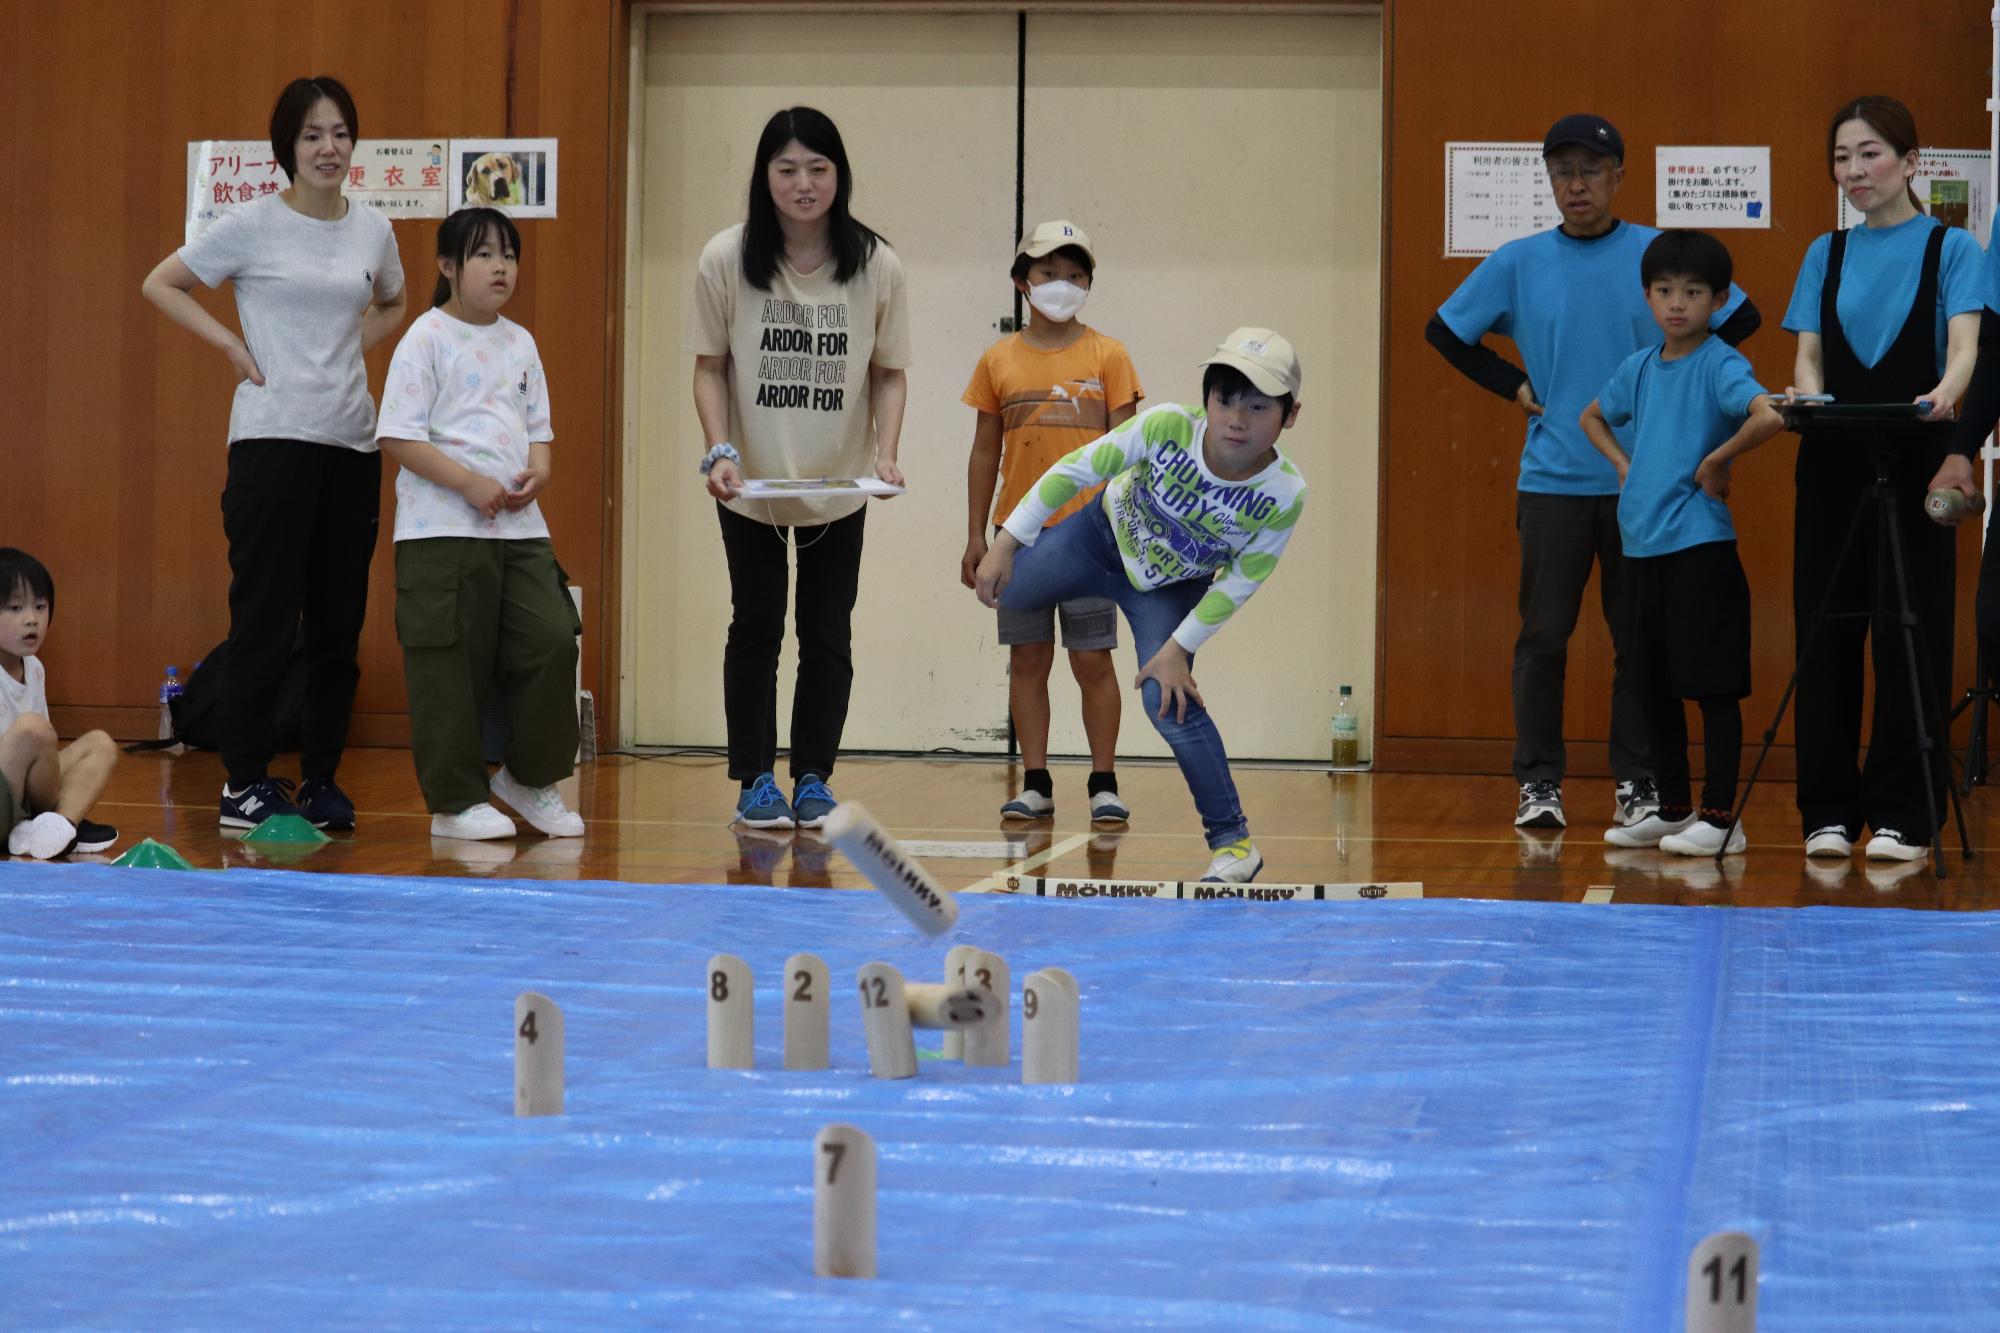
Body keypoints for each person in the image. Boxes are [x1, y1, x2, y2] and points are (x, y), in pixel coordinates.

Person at [1427, 113, 1761, 833]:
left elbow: (1744, 315)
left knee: (1637, 646)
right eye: (1562, 172)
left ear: (1617, 176)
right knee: (1542, 637)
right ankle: (1539, 782)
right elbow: (1444, 330)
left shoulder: (1655, 256)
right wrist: (1511, 384)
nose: (1575, 185)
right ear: (1549, 180)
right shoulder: (1518, 260)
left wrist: (1688, 410)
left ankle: (1639, 783)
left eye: (1589, 171)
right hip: (1551, 480)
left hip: (1654, 491)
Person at [142, 76, 406, 832]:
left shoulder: (373, 230)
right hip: (269, 445)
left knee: (336, 626)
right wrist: (230, 343)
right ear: (287, 147)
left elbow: (394, 297)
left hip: (351, 446)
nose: (329, 148)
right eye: (312, 135)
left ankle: (320, 778)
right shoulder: (251, 224)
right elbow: (161, 283)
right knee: (262, 619)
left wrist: (350, 345)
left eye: (340, 133)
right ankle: (243, 781)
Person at [974, 328, 1308, 884]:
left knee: (1166, 698)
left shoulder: (1285, 493)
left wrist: (1179, 649)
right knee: (1002, 588)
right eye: (1225, 400)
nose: (1236, 420)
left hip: (1172, 589)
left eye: (1257, 407)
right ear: (1207, 399)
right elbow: (1075, 471)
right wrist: (1006, 541)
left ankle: (1234, 843)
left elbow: (1240, 582)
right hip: (1096, 538)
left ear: (1290, 415)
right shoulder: (1167, 426)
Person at [687, 106, 911, 832]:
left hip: (839, 486)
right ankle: (755, 779)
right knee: (754, 625)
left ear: (839, 175)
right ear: (764, 177)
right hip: (747, 484)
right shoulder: (726, 257)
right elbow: (709, 368)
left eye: (818, 168)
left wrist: (886, 455)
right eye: (786, 169)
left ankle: (813, 773)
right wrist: (720, 449)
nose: (803, 183)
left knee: (826, 632)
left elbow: (889, 373)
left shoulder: (878, 262)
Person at [1782, 95, 1982, 863]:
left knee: (1912, 632)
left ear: (1910, 161)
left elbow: (1965, 347)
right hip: (1831, 458)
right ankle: (1826, 810)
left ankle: (1907, 814)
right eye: (1842, 157)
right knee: (1825, 633)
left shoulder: (1950, 248)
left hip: (1914, 455)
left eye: (1869, 154)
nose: (1854, 171)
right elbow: (1808, 355)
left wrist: (1946, 392)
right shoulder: (1823, 253)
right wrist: (1807, 393)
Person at [375, 207, 583, 842]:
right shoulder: (425, 337)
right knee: (449, 665)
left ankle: (528, 777)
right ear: (447, 266)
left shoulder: (521, 342)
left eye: (509, 255)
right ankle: (455, 801)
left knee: (551, 640)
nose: (501, 267)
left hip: (520, 531)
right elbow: (396, 435)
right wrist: (467, 483)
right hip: (440, 529)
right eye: (485, 254)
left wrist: (538, 475)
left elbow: (539, 435)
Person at [1579, 231, 1786, 856]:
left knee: (1713, 686)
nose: (1677, 304)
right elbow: (1591, 416)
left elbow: (1769, 413)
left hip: (1699, 548)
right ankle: (1672, 809)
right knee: (1652, 683)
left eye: (1693, 293)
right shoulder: (1639, 366)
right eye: (1665, 291)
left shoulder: (1720, 360)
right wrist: (1623, 464)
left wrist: (1716, 460)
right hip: (1640, 547)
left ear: (1718, 300)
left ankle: (1723, 818)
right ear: (1647, 295)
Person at [961, 220, 1142, 824]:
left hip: (1091, 540)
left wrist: (1125, 533)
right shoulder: (997, 360)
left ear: (1089, 283)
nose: (1062, 284)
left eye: (1075, 274)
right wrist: (976, 536)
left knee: (1093, 660)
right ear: (1022, 282)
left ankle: (1104, 783)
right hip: (1020, 542)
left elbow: (1128, 451)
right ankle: (1034, 781)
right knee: (1028, 659)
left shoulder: (1109, 356)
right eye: (1048, 273)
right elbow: (985, 450)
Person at [0, 550, 120, 860]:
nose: (32, 618)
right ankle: (45, 822)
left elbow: (46, 759)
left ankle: (59, 826)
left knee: (100, 743)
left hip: (25, 798)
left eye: (40, 606)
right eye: (15, 607)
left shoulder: (35, 667)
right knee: (32, 728)